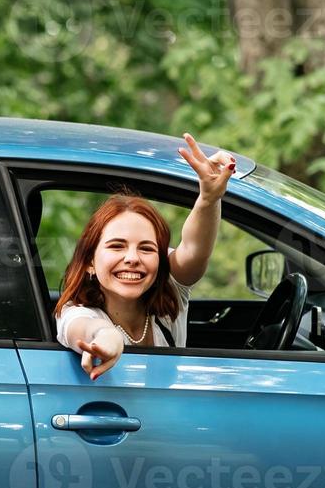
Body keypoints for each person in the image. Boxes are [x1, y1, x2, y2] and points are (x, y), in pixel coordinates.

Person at [54, 133, 235, 379]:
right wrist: (107, 337)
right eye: (117, 246)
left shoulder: (170, 294)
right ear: (89, 262)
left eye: (147, 248)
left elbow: (194, 249)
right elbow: (85, 329)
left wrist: (209, 199)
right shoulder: (76, 313)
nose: (132, 258)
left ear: (160, 260)